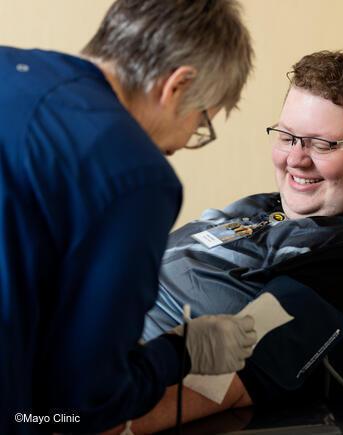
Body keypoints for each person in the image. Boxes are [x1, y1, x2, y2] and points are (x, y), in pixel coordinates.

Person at [103, 50, 343, 434]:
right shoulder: (277, 209)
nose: (295, 160)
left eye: (322, 145)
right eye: (287, 137)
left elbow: (222, 385)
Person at [0, 1, 257, 434]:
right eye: (201, 124)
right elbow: (80, 404)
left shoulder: (10, 67)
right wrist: (181, 353)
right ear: (178, 85)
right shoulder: (134, 172)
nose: (182, 143)